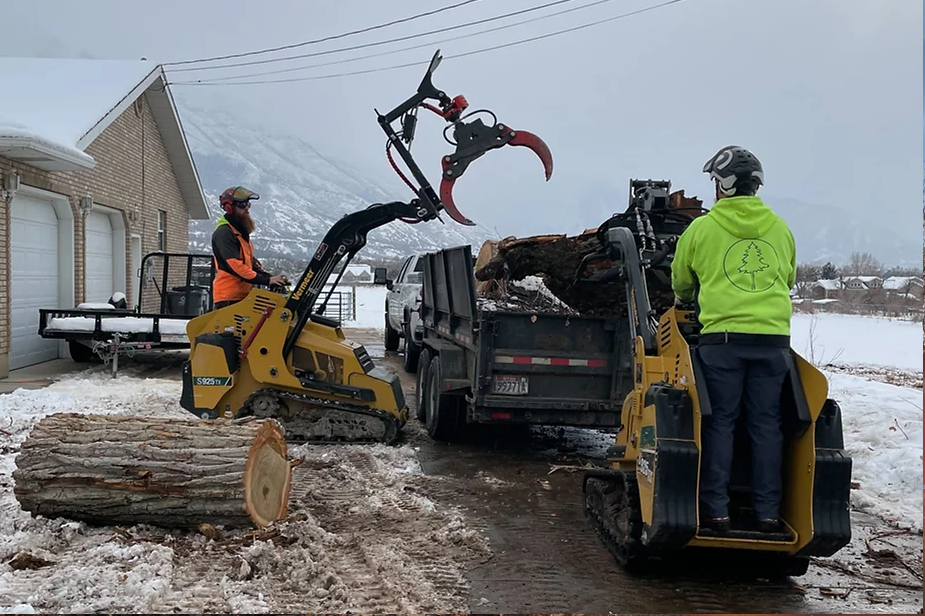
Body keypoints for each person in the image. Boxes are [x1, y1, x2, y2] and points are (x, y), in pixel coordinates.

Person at [670, 145, 796, 534]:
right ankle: (768, 513)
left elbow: (681, 281)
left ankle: (716, 512)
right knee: (766, 425)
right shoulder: (780, 227)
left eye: (714, 182)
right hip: (774, 343)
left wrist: (686, 299)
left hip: (723, 343)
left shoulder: (702, 229)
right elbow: (787, 279)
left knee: (720, 421)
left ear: (723, 185)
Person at [211, 186, 286, 309]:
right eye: (242, 205)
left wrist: (270, 277)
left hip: (242, 296)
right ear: (229, 208)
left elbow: (250, 263)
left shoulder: (239, 233)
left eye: (248, 204)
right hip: (229, 298)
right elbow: (235, 265)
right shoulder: (224, 233)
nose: (247, 208)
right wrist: (266, 281)